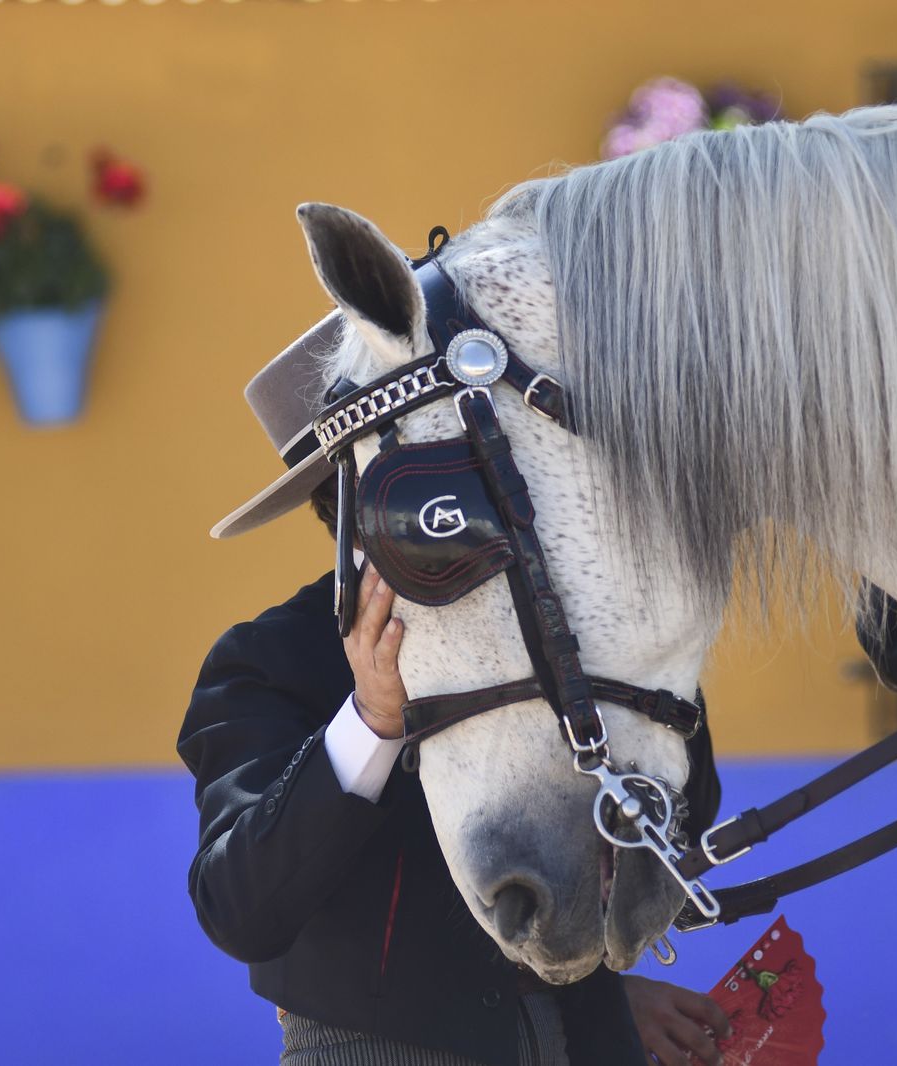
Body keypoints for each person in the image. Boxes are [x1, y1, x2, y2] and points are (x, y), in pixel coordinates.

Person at [180, 313, 732, 1065]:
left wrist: (612, 993)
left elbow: (681, 821)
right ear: (353, 501)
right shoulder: (267, 660)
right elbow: (241, 909)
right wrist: (371, 721)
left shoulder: (547, 615)